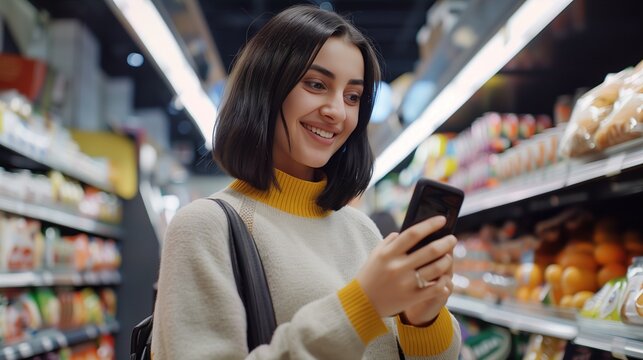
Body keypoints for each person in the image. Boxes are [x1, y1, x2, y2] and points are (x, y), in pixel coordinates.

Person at [151, 5, 461, 359]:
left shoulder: (362, 232)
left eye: (353, 96)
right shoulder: (205, 227)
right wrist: (361, 305)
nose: (337, 111)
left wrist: (421, 319)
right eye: (316, 84)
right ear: (266, 89)